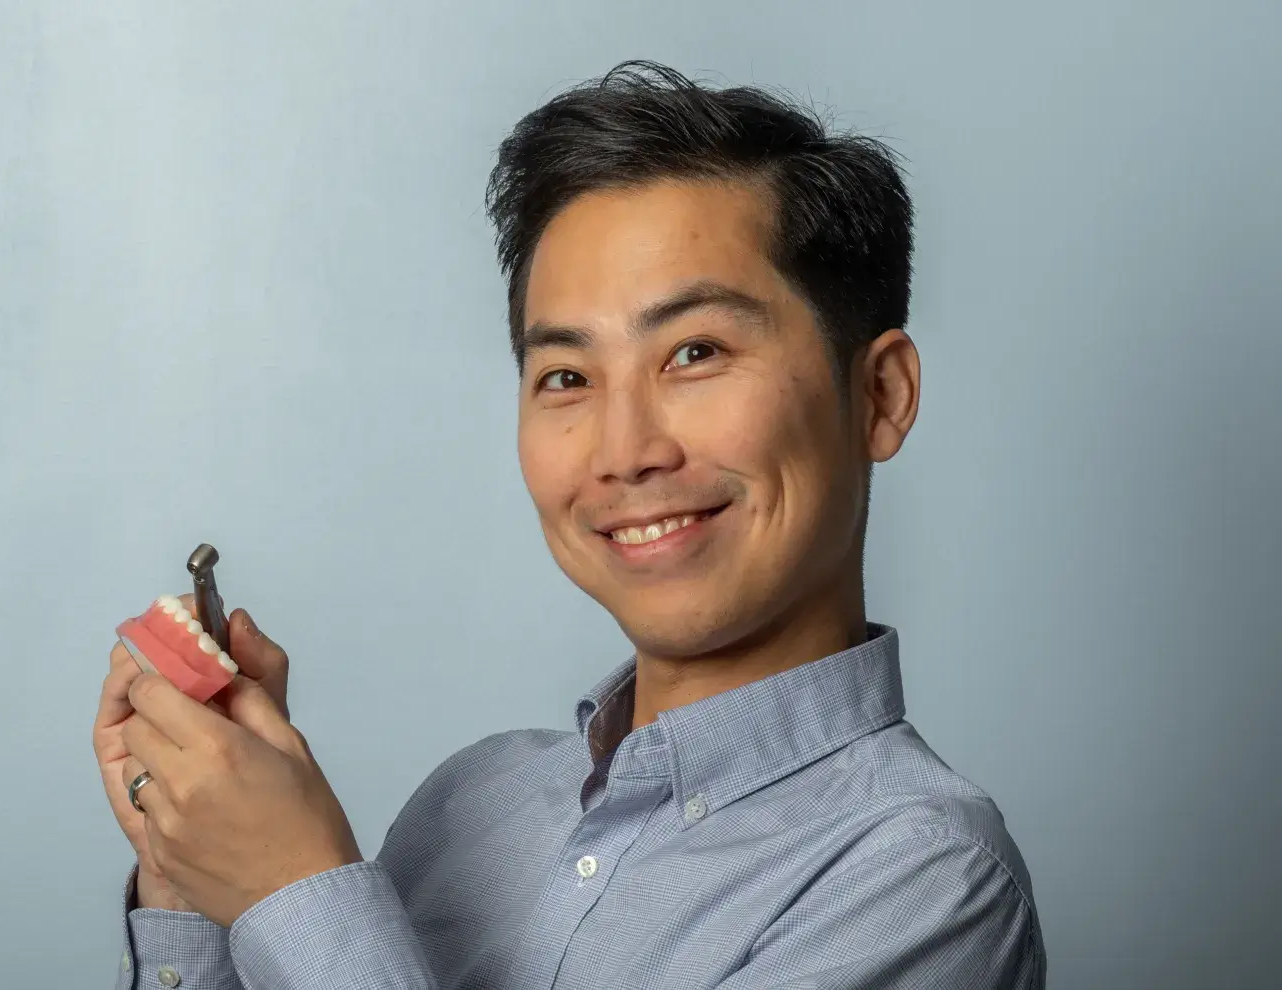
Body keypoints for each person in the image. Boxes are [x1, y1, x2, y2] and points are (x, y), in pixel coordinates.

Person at [93, 60, 1046, 989]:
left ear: (879, 396)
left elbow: (309, 915)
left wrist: (295, 892)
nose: (623, 450)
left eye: (695, 351)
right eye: (566, 377)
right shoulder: (469, 805)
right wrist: (192, 876)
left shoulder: (923, 881)